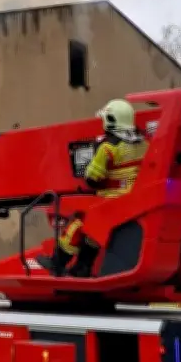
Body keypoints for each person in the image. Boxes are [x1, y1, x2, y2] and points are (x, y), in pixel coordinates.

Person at [36, 99, 149, 277]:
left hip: (111, 201)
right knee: (94, 232)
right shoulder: (144, 145)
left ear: (110, 121)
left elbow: (93, 179)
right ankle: (82, 268)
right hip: (133, 201)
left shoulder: (107, 148)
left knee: (77, 224)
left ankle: (57, 263)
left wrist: (95, 155)